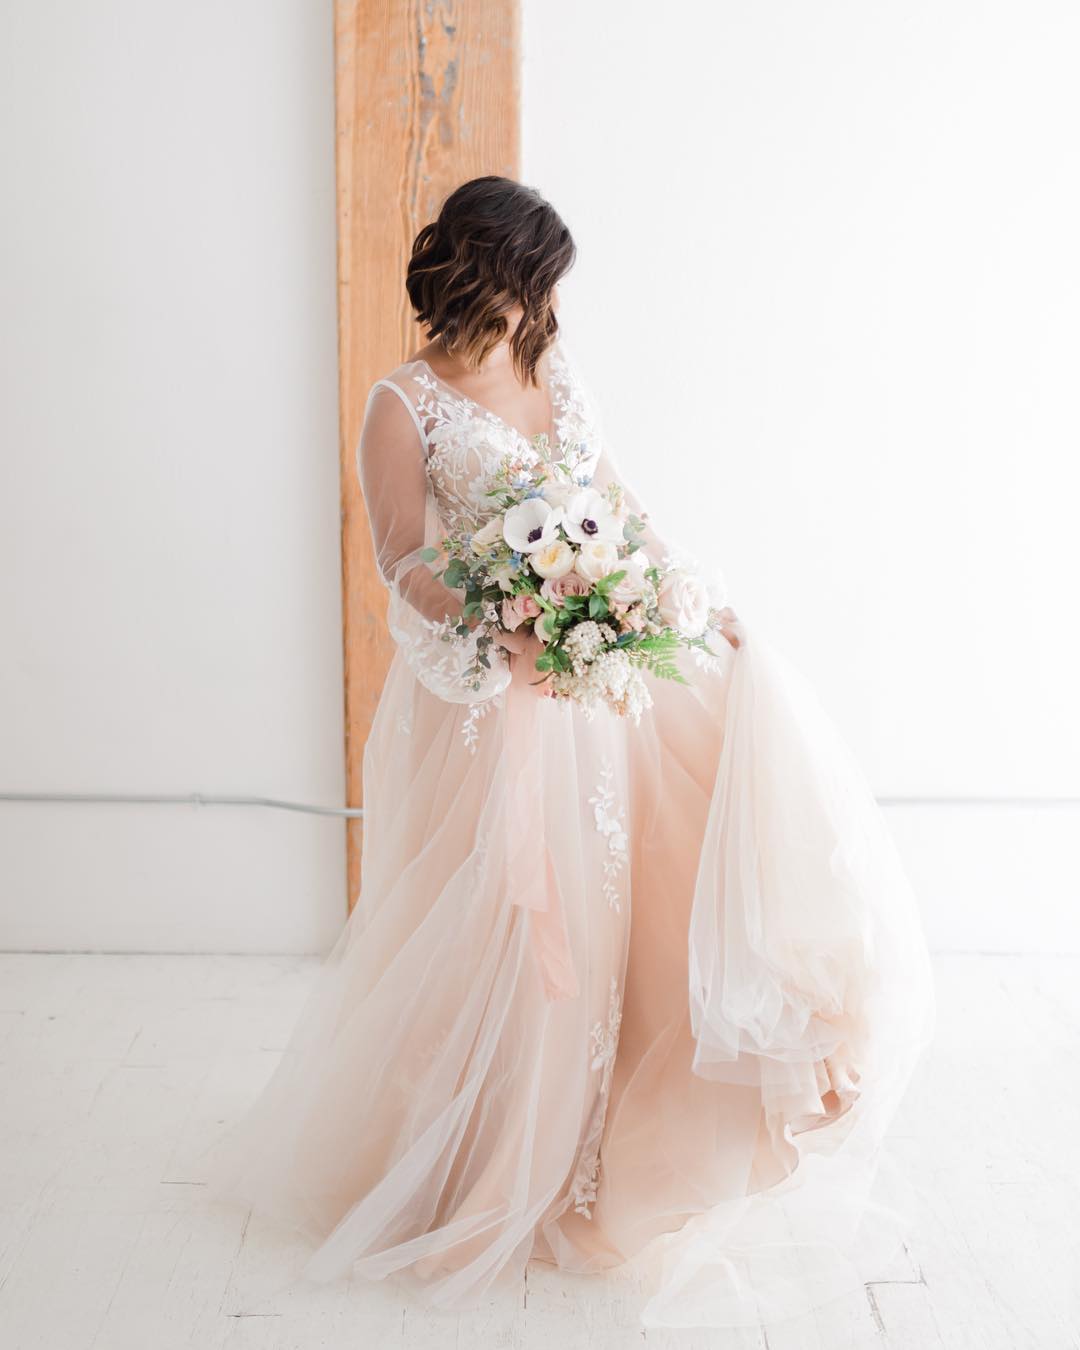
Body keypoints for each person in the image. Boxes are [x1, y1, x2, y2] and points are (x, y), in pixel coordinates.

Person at [202, 175, 936, 1330]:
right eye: (520, 282)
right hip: (493, 696)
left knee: (650, 892)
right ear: (471, 269)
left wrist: (684, 588)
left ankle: (617, 1150)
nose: (534, 304)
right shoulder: (405, 402)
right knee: (511, 927)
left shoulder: (554, 364)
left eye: (541, 287)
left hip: (597, 670)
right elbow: (400, 559)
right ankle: (488, 1154)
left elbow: (613, 501)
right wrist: (497, 605)